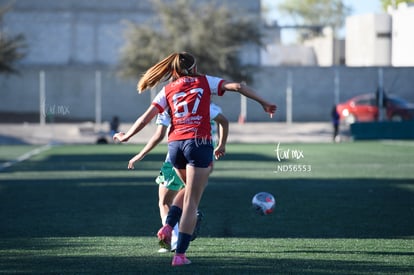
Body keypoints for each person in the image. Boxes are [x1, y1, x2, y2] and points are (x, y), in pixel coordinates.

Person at [113, 52, 276, 266]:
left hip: (175, 146)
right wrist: (264, 103)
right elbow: (238, 87)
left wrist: (127, 136)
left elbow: (146, 118)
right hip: (198, 144)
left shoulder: (167, 89)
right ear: (193, 67)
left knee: (186, 189)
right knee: (191, 202)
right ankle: (180, 255)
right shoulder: (204, 81)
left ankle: (169, 225)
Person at [127, 103, 229, 252]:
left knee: (165, 201)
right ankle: (183, 224)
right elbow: (223, 122)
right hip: (204, 157)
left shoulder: (171, 102)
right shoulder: (209, 105)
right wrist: (221, 144)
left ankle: (173, 238)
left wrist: (140, 154)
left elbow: (159, 135)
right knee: (189, 192)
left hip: (177, 156)